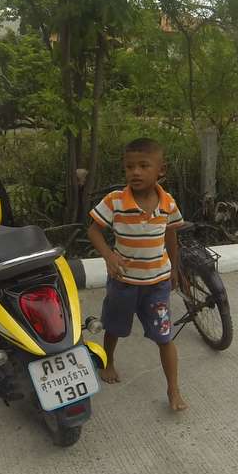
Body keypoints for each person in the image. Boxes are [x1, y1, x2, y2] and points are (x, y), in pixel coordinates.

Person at [87, 137, 188, 411]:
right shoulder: (116, 201)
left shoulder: (167, 203)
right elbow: (93, 230)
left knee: (164, 337)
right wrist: (108, 255)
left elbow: (171, 235)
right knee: (115, 326)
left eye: (144, 166)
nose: (136, 172)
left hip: (157, 285)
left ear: (160, 170)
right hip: (124, 283)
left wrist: (175, 269)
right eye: (130, 167)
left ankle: (173, 389)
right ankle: (108, 361)